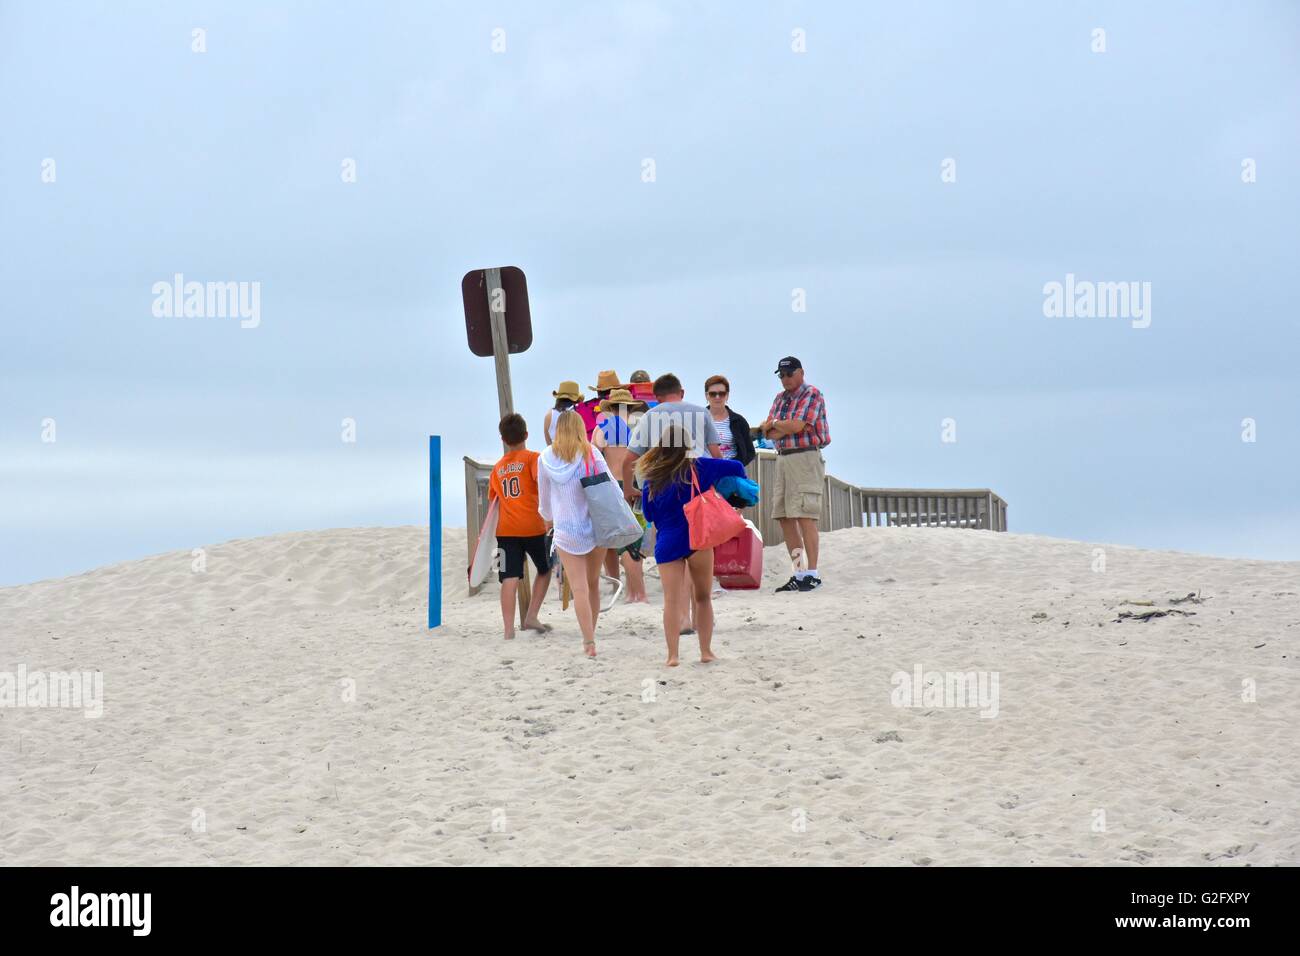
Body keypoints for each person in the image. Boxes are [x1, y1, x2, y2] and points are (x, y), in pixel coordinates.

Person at [637, 424, 746, 666]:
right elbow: (737, 466)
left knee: (671, 601)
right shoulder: (700, 466)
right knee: (703, 597)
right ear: (687, 446)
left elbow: (649, 513)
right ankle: (705, 651)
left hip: (667, 544)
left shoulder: (652, 477)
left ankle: (672, 656)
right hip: (698, 539)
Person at [538, 410, 611, 657]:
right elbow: (611, 486)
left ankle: (588, 642)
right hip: (595, 526)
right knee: (593, 584)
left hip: (566, 530)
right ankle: (592, 630)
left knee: (579, 588)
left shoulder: (546, 457)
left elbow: (544, 502)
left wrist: (550, 519)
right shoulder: (591, 452)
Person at [759, 356, 831, 592]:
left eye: (790, 374)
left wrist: (776, 424)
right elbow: (770, 434)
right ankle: (799, 573)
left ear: (801, 373)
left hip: (805, 456)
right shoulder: (780, 398)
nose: (786, 379)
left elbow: (797, 426)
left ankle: (813, 573)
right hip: (783, 458)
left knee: (804, 515)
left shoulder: (812, 394)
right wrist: (780, 425)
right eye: (782, 375)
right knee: (785, 516)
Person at [488, 414, 553, 639]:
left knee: (509, 578)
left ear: (503, 440)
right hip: (535, 527)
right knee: (545, 569)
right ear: (526, 435)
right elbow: (542, 484)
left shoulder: (497, 468)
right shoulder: (533, 458)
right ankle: (531, 615)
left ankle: (508, 631)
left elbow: (493, 502)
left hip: (505, 532)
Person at [619, 372, 722, 498]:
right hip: (701, 483)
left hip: (664, 485)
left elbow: (629, 459)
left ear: (657, 398)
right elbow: (716, 454)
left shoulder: (649, 416)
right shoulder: (703, 412)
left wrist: (628, 489)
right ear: (682, 392)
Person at [592, 386, 649, 602]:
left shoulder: (601, 429)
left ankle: (621, 587)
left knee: (614, 539)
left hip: (610, 487)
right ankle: (637, 592)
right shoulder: (638, 427)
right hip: (635, 485)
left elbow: (594, 460)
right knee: (635, 539)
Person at [703, 374, 756, 466]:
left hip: (731, 473)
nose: (717, 397)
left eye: (721, 393)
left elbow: (750, 452)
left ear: (727, 395)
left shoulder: (739, 421)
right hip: (704, 473)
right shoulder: (697, 420)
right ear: (706, 396)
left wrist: (735, 465)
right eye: (713, 394)